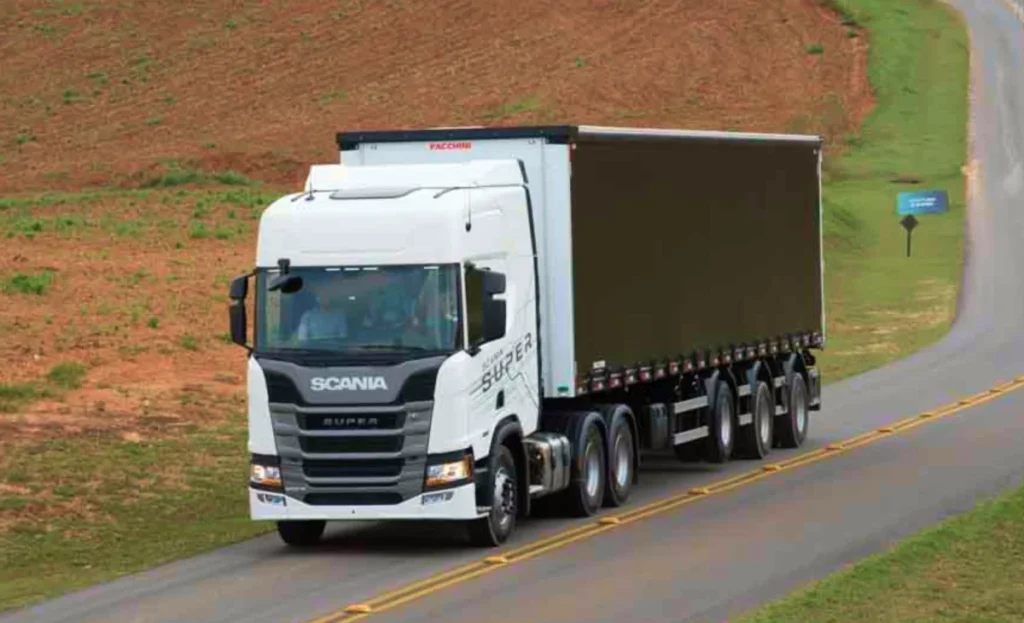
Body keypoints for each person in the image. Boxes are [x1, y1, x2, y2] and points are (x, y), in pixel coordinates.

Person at [295, 278, 349, 343]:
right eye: (322, 295)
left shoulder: (339, 315)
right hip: (312, 348)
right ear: (317, 298)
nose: (324, 298)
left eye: (327, 295)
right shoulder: (308, 316)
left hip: (334, 347)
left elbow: (342, 337)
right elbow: (302, 338)